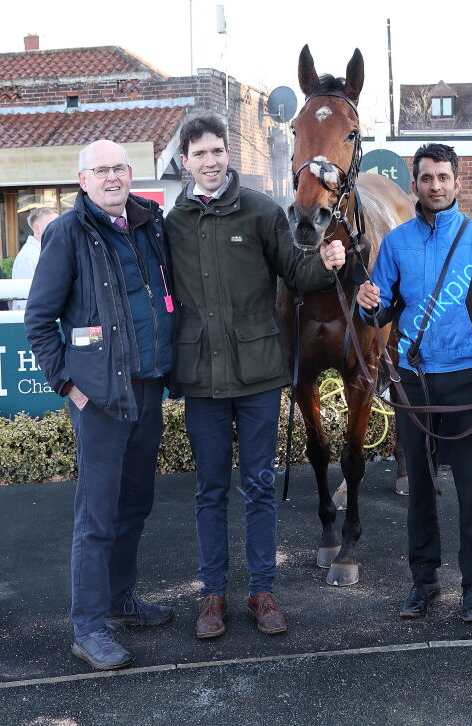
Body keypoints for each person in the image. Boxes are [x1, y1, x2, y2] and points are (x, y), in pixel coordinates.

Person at [164, 116, 341, 641]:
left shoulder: (261, 211)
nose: (211, 161)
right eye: (200, 154)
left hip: (260, 375)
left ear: (227, 154)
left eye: (218, 150)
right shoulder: (171, 224)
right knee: (210, 490)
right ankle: (212, 595)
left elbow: (299, 272)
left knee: (260, 486)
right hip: (202, 379)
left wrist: (328, 260)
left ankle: (263, 591)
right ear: (185, 162)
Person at [348, 142, 472, 623]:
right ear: (415, 184)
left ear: (456, 182)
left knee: (471, 490)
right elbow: (378, 309)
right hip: (414, 384)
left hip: (467, 380)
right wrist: (365, 300)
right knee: (420, 488)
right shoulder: (397, 242)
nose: (435, 185)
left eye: (443, 177)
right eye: (426, 178)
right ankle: (424, 583)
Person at [24, 139, 175, 671]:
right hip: (100, 399)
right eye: (100, 170)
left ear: (130, 174)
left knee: (135, 504)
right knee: (97, 516)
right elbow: (39, 322)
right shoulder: (68, 233)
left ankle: (120, 600)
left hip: (148, 387)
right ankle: (88, 628)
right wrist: (70, 386)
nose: (112, 177)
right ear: (82, 181)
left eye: (118, 168)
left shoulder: (150, 225)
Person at [12, 207, 59, 310]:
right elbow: (25, 300)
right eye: (53, 225)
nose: (59, 228)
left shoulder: (46, 251)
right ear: (36, 228)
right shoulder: (28, 256)